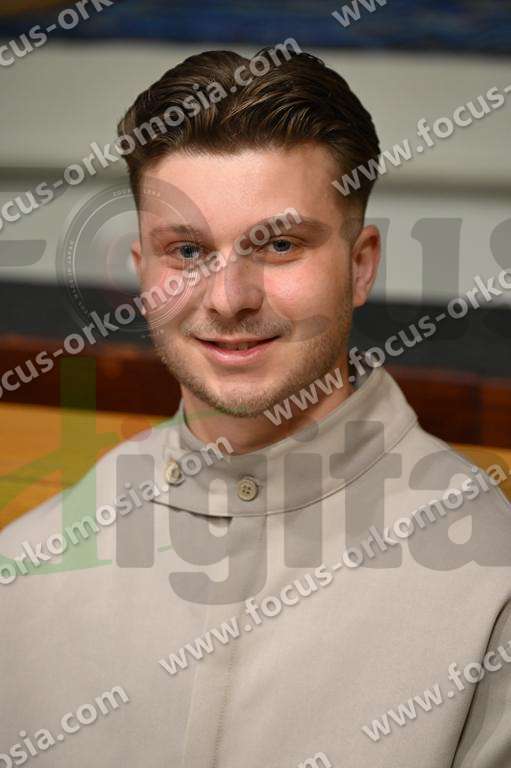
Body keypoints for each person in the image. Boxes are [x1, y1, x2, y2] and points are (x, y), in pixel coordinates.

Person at [1, 47, 511, 768]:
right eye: (186, 251)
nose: (229, 298)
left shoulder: (493, 587)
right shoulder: (24, 571)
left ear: (359, 265)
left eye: (278, 245)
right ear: (142, 272)